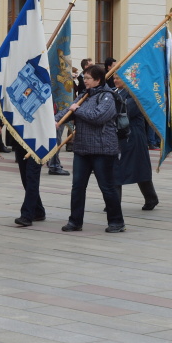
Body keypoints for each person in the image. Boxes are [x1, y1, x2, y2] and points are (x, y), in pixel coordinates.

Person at [57, 64, 125, 233]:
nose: (85, 81)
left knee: (107, 187)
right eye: (84, 78)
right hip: (82, 149)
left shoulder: (108, 97)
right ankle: (75, 221)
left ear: (98, 80)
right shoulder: (84, 95)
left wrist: (77, 110)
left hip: (103, 150)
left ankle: (116, 222)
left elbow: (97, 117)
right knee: (78, 187)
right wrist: (56, 120)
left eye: (88, 78)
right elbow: (69, 110)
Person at [112, 74, 158, 210]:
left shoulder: (135, 94)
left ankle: (151, 198)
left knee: (140, 169)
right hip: (118, 137)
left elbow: (125, 110)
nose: (115, 80)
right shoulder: (112, 92)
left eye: (118, 78)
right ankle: (114, 203)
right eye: (114, 78)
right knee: (115, 169)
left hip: (134, 136)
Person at [7, 131, 46, 227]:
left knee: (32, 177)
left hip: (39, 140)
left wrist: (55, 123)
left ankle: (27, 215)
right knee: (25, 179)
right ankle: (38, 210)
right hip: (21, 139)